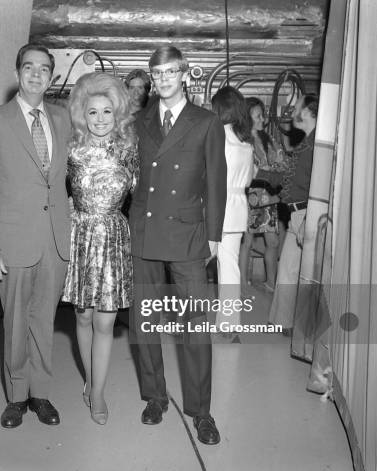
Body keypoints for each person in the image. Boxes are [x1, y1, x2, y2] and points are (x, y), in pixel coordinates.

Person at [0, 44, 72, 429]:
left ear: (51, 77)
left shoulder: (62, 119)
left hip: (55, 243)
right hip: (13, 242)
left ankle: (41, 393)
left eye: (44, 69)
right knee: (14, 323)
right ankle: (16, 396)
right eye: (28, 68)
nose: (35, 75)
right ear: (17, 74)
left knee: (43, 322)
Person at [129, 45, 226, 445]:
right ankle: (154, 397)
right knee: (145, 322)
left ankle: (201, 411)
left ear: (185, 74)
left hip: (187, 235)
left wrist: (215, 234)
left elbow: (215, 182)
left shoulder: (205, 121)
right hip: (145, 234)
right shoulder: (139, 121)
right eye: (157, 73)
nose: (163, 79)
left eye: (171, 71)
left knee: (195, 327)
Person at [61, 72, 139, 425]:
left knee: (106, 322)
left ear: (117, 113)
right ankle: (90, 378)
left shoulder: (127, 151)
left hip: (112, 238)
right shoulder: (72, 152)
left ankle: (97, 392)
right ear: (82, 115)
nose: (100, 119)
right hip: (81, 235)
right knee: (83, 316)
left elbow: (138, 196)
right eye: (93, 112)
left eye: (107, 112)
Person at [268, 94, 318, 331]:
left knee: (304, 273)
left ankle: (303, 326)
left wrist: (309, 219)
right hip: (296, 216)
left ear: (308, 112)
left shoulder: (317, 145)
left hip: (307, 215)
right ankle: (284, 322)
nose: (293, 112)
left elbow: (318, 188)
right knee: (288, 269)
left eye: (297, 108)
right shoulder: (307, 143)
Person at [211, 87, 254, 332]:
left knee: (194, 265)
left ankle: (184, 318)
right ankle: (229, 323)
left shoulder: (217, 137)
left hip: (217, 206)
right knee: (230, 267)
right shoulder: (246, 141)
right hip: (238, 207)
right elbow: (248, 181)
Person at [239, 97, 287, 291]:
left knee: (273, 241)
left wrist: (273, 167)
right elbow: (253, 171)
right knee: (247, 240)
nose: (262, 119)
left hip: (268, 196)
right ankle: (242, 281)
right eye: (257, 116)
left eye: (262, 115)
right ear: (247, 118)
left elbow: (282, 163)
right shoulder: (243, 141)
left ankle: (270, 282)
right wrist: (271, 167)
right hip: (250, 195)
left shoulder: (268, 139)